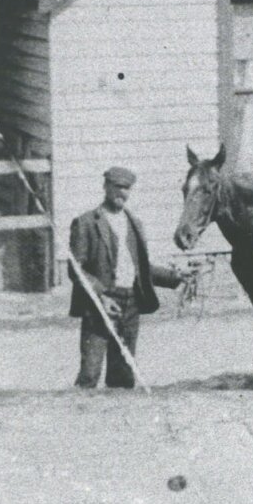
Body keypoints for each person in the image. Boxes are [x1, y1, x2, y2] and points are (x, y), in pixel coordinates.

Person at [67, 166, 193, 389]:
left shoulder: (134, 223)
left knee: (124, 376)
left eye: (127, 189)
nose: (123, 193)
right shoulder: (86, 222)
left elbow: (142, 269)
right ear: (105, 187)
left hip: (131, 303)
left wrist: (176, 277)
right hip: (101, 304)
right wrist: (101, 297)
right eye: (118, 187)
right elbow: (75, 269)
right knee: (90, 373)